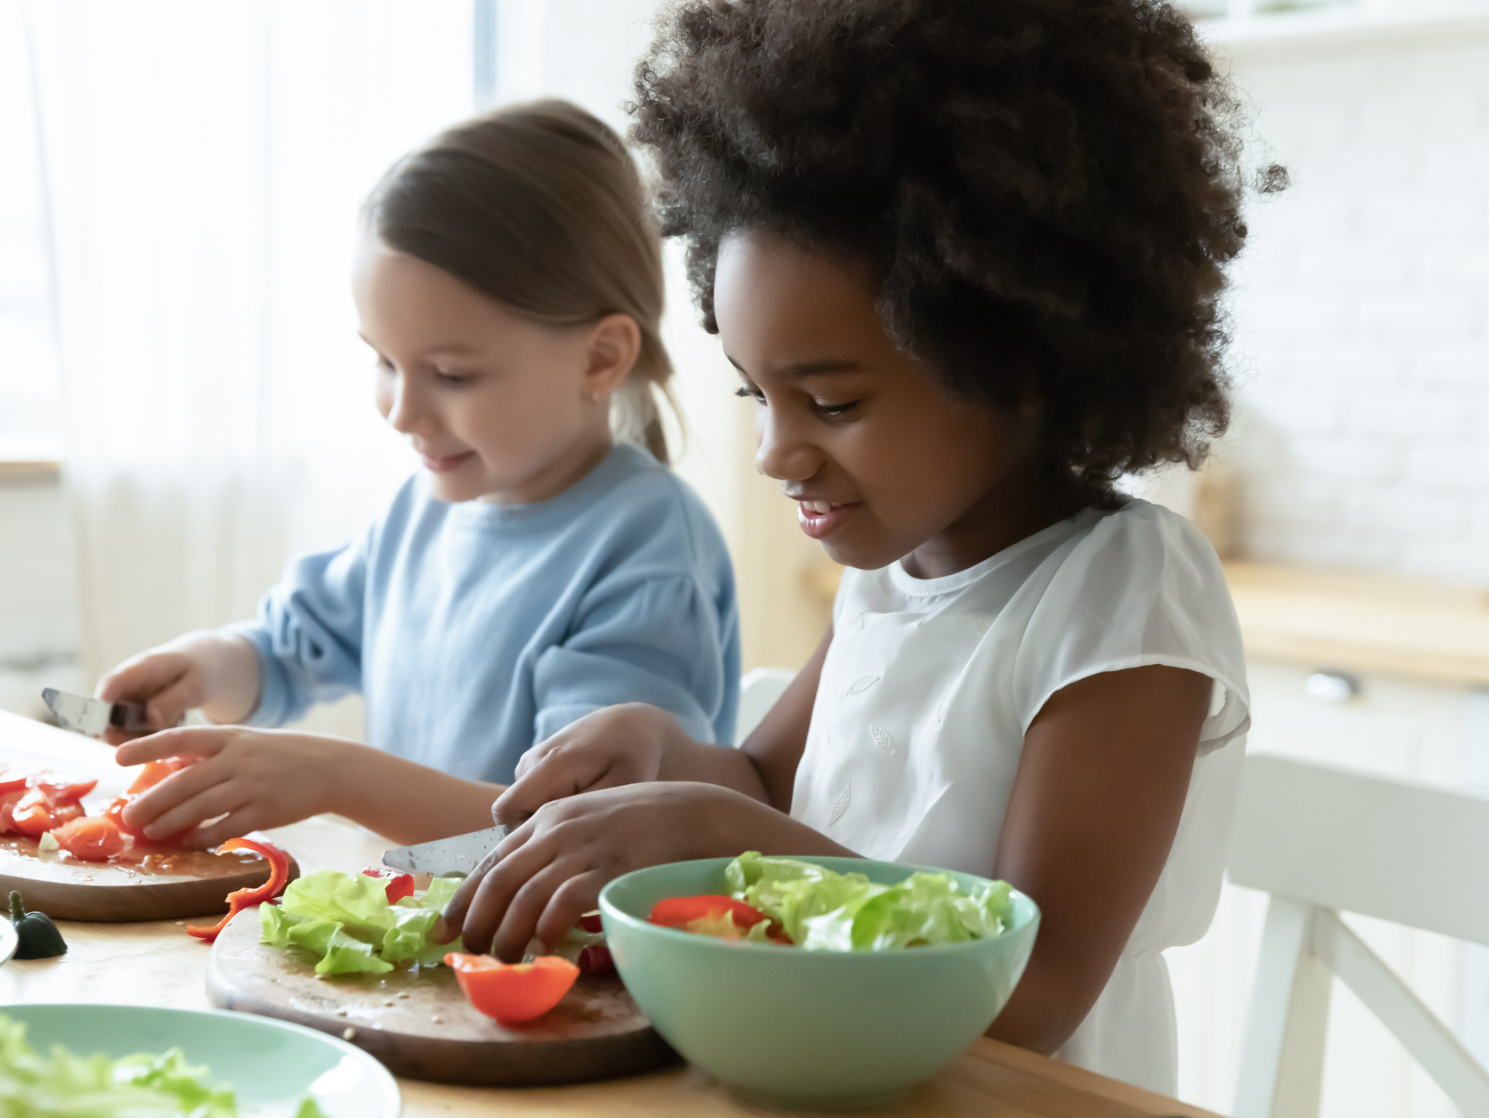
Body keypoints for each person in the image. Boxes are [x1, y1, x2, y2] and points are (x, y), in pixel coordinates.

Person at [436, 0, 1266, 1096]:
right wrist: (663, 753)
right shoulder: (890, 575)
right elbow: (764, 780)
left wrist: (722, 828)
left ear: (1018, 360)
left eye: (829, 399)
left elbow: (1034, 990)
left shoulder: (1119, 589)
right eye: (756, 393)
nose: (780, 451)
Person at [97, 100, 740, 850]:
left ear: (599, 359)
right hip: (418, 941)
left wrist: (335, 777)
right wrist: (204, 667)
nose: (402, 412)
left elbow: (580, 835)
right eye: (384, 361)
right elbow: (288, 648)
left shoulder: (644, 546)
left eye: (451, 374)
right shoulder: (422, 510)